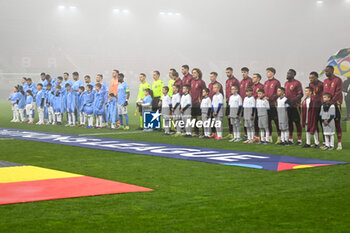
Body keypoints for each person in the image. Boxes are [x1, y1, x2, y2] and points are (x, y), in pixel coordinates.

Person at [323, 65, 343, 150]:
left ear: (332, 70)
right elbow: (324, 93)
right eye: (325, 71)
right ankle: (328, 144)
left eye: (327, 71)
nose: (326, 72)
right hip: (326, 105)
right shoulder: (325, 81)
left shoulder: (338, 80)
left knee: (337, 124)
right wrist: (324, 103)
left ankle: (339, 143)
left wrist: (331, 103)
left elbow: (338, 92)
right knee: (327, 123)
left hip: (335, 105)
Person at [284, 69, 303, 145]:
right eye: (287, 73)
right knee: (289, 122)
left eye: (289, 73)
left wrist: (292, 100)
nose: (287, 74)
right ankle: (290, 139)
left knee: (297, 123)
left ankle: (299, 140)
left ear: (293, 75)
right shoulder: (286, 83)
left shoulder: (297, 83)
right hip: (288, 106)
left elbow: (300, 94)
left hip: (295, 106)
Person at [264, 67, 281, 143]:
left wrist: (270, 98)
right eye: (267, 72)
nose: (267, 73)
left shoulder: (276, 82)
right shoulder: (266, 83)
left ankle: (280, 137)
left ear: (273, 73)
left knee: (277, 122)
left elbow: (278, 93)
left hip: (274, 105)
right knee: (268, 122)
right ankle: (269, 137)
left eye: (269, 72)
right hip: (266, 106)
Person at [224, 67, 240, 140]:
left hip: (235, 102)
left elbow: (238, 90)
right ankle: (231, 134)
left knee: (236, 121)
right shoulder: (227, 81)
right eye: (226, 72)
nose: (227, 74)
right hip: (229, 101)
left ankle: (237, 136)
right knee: (229, 118)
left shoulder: (235, 81)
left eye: (228, 72)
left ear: (232, 72)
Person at [190, 68, 206, 136]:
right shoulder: (192, 81)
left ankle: (203, 132)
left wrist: (201, 100)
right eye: (192, 73)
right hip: (193, 102)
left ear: (198, 73)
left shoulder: (201, 82)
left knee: (201, 118)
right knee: (194, 118)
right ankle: (196, 132)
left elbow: (205, 91)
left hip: (199, 103)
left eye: (194, 72)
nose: (193, 74)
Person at [252, 73, 264, 140]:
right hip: (253, 105)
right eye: (253, 77)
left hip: (259, 106)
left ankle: (263, 136)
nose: (252, 78)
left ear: (258, 79)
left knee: (260, 121)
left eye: (254, 77)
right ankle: (256, 135)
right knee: (255, 121)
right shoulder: (252, 86)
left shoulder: (261, 86)